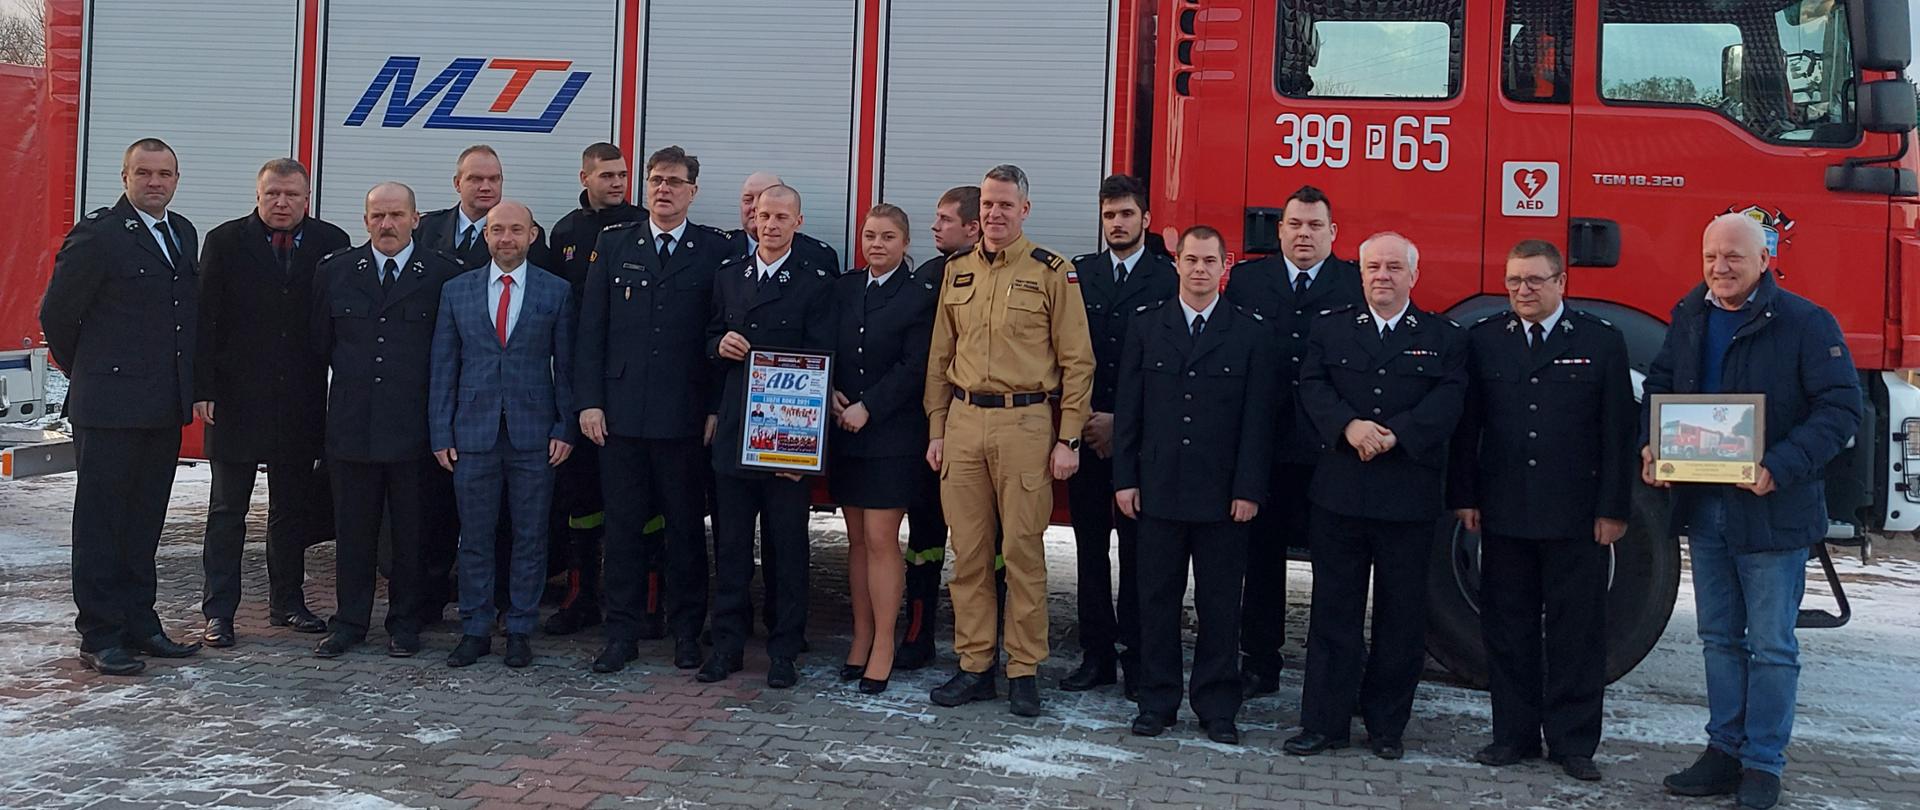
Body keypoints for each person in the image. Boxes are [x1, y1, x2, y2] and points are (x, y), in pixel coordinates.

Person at [1650, 214, 1860, 810]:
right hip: (1706, 505)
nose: (1720, 267)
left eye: (1734, 257)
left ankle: (1762, 765)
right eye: (1711, 255)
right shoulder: (1690, 315)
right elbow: (1662, 386)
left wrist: (1781, 464)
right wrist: (1653, 444)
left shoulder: (1805, 322)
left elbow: (1842, 410)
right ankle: (1723, 752)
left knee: (1771, 644)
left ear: (1764, 258)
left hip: (1772, 510)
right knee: (1719, 638)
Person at [1449, 240, 1634, 782]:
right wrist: (1465, 497)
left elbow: (1618, 433)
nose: (1522, 291)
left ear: (1561, 282)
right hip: (1504, 511)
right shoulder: (1484, 341)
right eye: (1513, 282)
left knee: (1578, 631)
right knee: (1508, 628)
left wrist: (1613, 509)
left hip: (1577, 514)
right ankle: (1513, 735)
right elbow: (1468, 429)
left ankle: (1574, 743)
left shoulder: (1601, 342)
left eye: (1533, 281)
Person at [1285, 232, 1466, 760]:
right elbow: (1312, 385)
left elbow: (1450, 398)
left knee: (1401, 618)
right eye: (1372, 267)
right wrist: (1349, 426)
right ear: (1359, 273)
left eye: (1393, 267)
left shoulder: (1444, 336)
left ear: (1414, 275)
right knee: (1332, 614)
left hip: (1406, 496)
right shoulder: (1331, 329)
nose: (1382, 275)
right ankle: (1324, 723)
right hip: (1340, 494)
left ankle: (1387, 727)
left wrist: (1397, 433)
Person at [923, 164, 1094, 717]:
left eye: (1005, 205)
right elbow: (939, 360)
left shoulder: (1052, 272)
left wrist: (1068, 437)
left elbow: (1077, 362)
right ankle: (974, 666)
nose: (995, 214)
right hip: (966, 422)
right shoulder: (957, 271)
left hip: (1026, 424)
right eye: (988, 206)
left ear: (1025, 209)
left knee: (1022, 552)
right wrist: (937, 429)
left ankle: (1023, 670)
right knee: (968, 553)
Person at [40, 138, 203, 676]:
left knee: (143, 523)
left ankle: (141, 623)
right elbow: (59, 315)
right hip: (108, 407)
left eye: (165, 173)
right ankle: (100, 634)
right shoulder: (99, 233)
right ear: (125, 176)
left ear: (177, 179)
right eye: (145, 173)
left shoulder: (181, 233)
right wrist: (91, 370)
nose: (155, 182)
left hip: (160, 405)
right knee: (102, 524)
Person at [1113, 225, 1276, 745]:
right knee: (1155, 599)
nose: (1200, 269)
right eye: (1192, 260)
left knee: (1220, 604)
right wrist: (1124, 479)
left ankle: (1217, 706)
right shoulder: (1147, 326)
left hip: (1222, 495)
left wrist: (1249, 489)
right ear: (1177, 264)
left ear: (1225, 267)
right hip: (1158, 488)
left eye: (1210, 261)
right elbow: (1129, 412)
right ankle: (1156, 701)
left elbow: (1258, 422)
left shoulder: (1250, 332)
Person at [574, 145, 729, 673]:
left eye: (675, 181)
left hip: (684, 419)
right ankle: (622, 633)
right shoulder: (615, 244)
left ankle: (687, 632)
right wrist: (590, 401)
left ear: (693, 191)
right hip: (619, 417)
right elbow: (590, 331)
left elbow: (714, 340)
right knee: (621, 531)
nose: (663, 189)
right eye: (656, 179)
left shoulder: (713, 251)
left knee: (686, 530)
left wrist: (713, 407)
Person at [191, 158, 351, 647]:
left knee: (290, 509)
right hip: (236, 398)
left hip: (301, 398)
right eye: (272, 195)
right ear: (258, 195)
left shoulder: (331, 243)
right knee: (227, 510)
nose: (282, 204)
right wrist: (203, 388)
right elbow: (205, 319)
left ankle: (288, 602)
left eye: (292, 196)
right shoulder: (224, 241)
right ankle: (219, 610)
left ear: (308, 198)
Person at [310, 182, 464, 659]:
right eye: (378, 216)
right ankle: (349, 622)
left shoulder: (442, 275)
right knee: (353, 532)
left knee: (410, 535)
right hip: (352, 427)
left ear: (417, 219)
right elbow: (318, 351)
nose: (387, 224)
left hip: (414, 430)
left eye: (397, 215)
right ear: (365, 221)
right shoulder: (336, 272)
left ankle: (405, 622)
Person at [1221, 185, 1361, 698]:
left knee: (1335, 564)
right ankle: (1260, 662)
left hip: (1331, 450)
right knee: (1261, 559)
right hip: (1266, 445)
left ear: (1333, 233)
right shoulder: (1248, 281)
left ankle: (1329, 674)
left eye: (1315, 226)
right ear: (1279, 230)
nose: (1304, 234)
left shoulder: (1353, 284)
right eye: (1295, 225)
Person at [700, 184, 836, 688]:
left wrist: (802, 445)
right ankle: (728, 648)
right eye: (762, 216)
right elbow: (707, 338)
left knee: (789, 549)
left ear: (798, 222)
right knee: (731, 548)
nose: (771, 224)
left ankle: (784, 651)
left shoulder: (815, 283)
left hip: (787, 440)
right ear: (751, 221)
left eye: (781, 216)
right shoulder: (730, 276)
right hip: (737, 430)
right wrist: (720, 345)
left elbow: (824, 363)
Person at [430, 200, 576, 669]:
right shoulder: (458, 290)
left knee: (531, 536)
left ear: (533, 235)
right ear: (486, 236)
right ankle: (475, 628)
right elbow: (443, 366)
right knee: (474, 535)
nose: (506, 238)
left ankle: (520, 628)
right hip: (472, 433)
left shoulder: (556, 291)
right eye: (497, 230)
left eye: (516, 230)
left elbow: (568, 368)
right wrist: (440, 431)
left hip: (535, 434)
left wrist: (565, 426)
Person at [1063, 175, 1175, 697]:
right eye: (1110, 216)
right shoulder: (1078, 274)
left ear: (1146, 220)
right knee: (1088, 549)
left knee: (1139, 555)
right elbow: (1062, 352)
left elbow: (1169, 367)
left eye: (1127, 214)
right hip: (1085, 432)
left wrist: (1119, 422)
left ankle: (1138, 660)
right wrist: (1085, 418)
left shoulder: (1167, 277)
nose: (1118, 224)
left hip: (1139, 439)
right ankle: (1096, 657)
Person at [829, 204, 939, 695]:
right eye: (870, 235)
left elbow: (915, 366)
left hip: (891, 435)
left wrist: (869, 406)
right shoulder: (845, 288)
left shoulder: (917, 297)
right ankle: (860, 636)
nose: (877, 244)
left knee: (880, 539)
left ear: (905, 243)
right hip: (844, 431)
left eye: (888, 237)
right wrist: (828, 388)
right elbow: (827, 346)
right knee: (854, 541)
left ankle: (884, 646)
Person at [542, 142, 646, 638]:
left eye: (623, 174)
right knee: (581, 499)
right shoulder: (566, 232)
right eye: (606, 175)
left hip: (631, 385)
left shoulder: (644, 226)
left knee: (642, 504)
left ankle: (648, 602)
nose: (617, 183)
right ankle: (580, 595)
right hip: (580, 382)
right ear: (584, 177)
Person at [894, 185, 983, 671]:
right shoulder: (928, 276)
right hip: (928, 428)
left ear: (973, 227)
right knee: (925, 537)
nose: (935, 227)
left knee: (986, 545)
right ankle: (918, 631)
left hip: (978, 425)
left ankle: (986, 643)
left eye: (946, 219)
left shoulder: (1001, 274)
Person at [416, 144, 555, 271]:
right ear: (457, 183)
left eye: (494, 179)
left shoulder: (523, 233)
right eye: (476, 179)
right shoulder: (426, 228)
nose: (486, 187)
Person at [727, 171, 841, 271]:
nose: (755, 206)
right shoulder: (719, 250)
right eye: (748, 199)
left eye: (764, 197)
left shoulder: (819, 255)